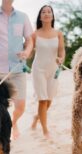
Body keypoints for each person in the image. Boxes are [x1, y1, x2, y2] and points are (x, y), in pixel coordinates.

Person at [0, 0, 33, 140]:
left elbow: (29, 41)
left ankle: (12, 123)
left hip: (18, 68)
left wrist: (27, 52)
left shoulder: (23, 17)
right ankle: (1, 133)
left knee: (20, 107)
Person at [30, 5, 65, 139]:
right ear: (40, 16)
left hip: (54, 70)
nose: (46, 14)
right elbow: (29, 51)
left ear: (52, 16)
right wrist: (23, 54)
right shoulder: (35, 34)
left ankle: (36, 118)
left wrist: (61, 59)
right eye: (43, 12)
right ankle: (45, 129)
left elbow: (61, 50)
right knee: (42, 100)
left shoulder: (58, 33)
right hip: (38, 69)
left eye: (49, 12)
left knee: (49, 101)